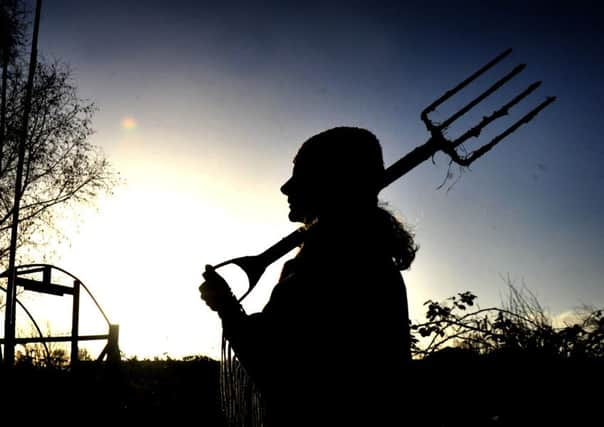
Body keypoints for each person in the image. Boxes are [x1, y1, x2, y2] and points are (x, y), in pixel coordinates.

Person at [200, 126, 417, 426]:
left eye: (300, 175)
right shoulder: (368, 256)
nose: (286, 188)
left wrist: (226, 306)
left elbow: (274, 366)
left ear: (330, 181)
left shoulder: (332, 262)